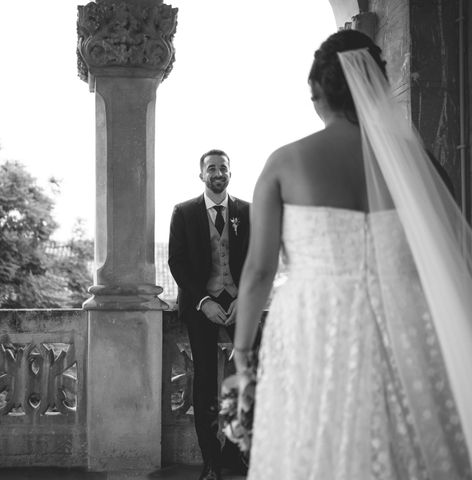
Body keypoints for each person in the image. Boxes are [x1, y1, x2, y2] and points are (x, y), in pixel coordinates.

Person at [228, 30, 472, 479]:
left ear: (318, 92)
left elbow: (259, 270)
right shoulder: (423, 169)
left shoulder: (285, 162)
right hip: (407, 325)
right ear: (375, 89)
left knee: (313, 443)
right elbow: (447, 255)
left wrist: (242, 352)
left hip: (314, 327)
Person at [169, 149, 250, 480]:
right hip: (202, 306)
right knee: (204, 382)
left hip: (240, 303)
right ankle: (212, 461)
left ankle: (233, 452)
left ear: (230, 173)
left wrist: (244, 297)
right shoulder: (184, 212)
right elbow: (177, 261)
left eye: (223, 168)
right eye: (211, 168)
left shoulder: (246, 211)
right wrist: (204, 300)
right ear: (201, 175)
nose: (218, 173)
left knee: (246, 378)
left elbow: (259, 257)